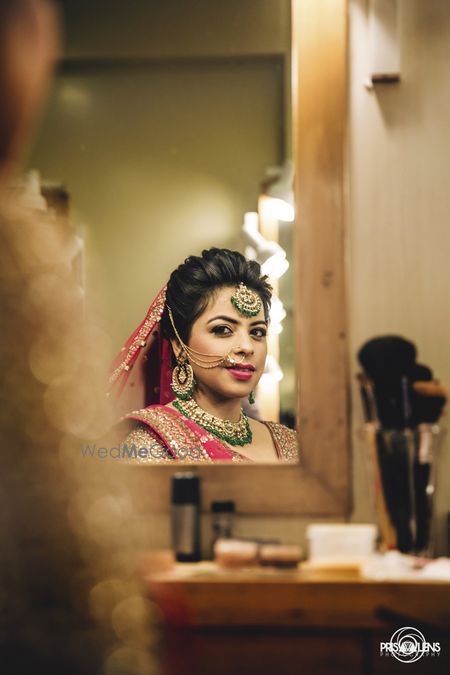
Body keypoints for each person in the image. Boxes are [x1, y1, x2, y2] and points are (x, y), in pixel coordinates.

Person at [108, 248, 300, 463]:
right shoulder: (152, 445)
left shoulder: (290, 442)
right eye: (222, 330)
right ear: (179, 345)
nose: (247, 347)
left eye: (257, 332)